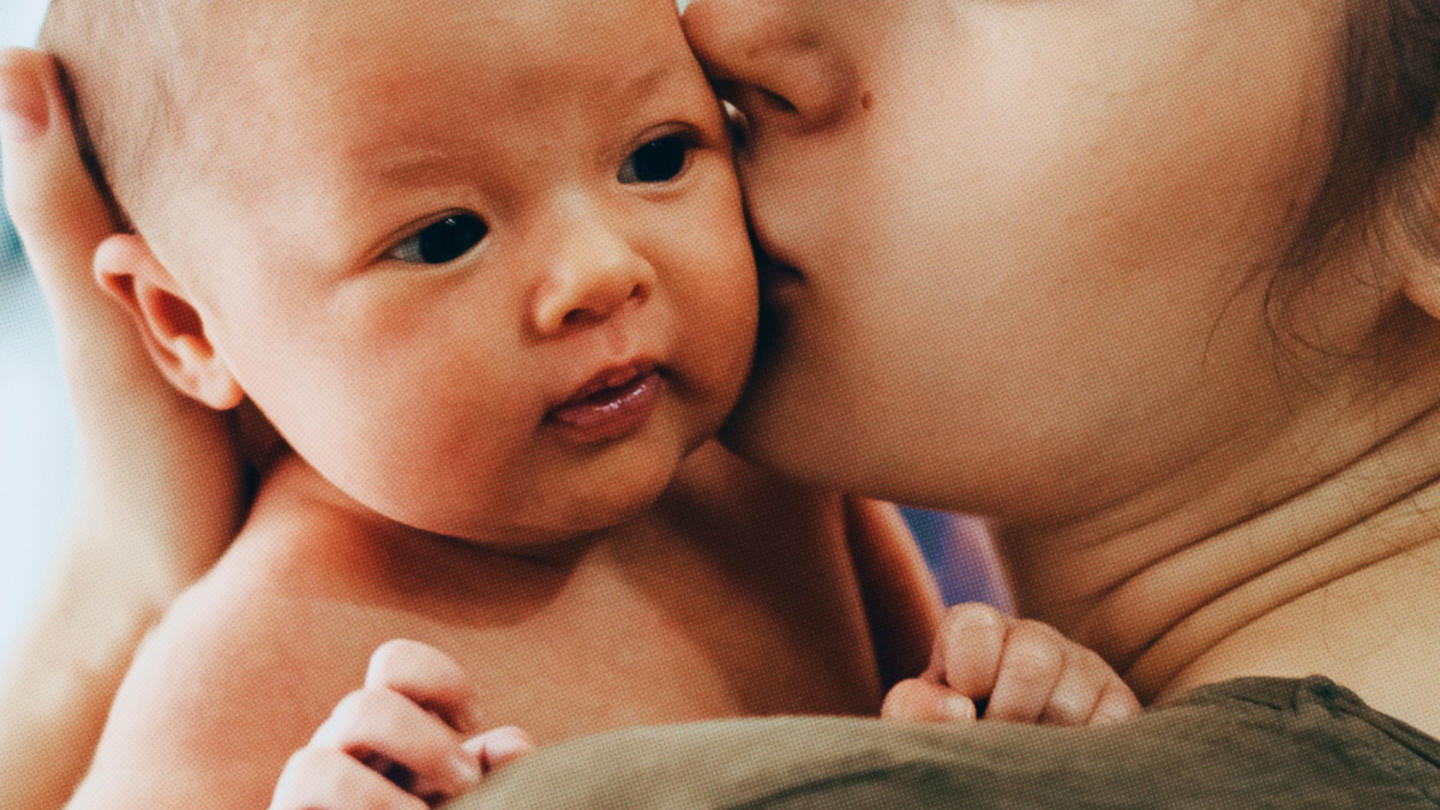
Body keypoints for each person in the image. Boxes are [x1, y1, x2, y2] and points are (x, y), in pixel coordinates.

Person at [5, 0, 1440, 805]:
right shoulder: (222, 679)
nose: (738, 30)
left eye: (654, 151)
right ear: (187, 325)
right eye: (438, 235)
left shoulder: (766, 502)